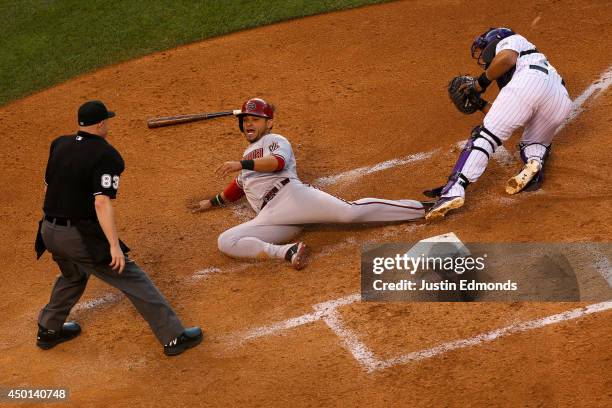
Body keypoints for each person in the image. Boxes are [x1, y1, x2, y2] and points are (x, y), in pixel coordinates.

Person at [36, 100, 202, 356]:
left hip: (48, 231)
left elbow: (48, 188)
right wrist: (113, 247)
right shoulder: (106, 155)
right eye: (108, 121)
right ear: (101, 123)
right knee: (132, 277)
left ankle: (48, 329)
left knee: (74, 274)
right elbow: (101, 201)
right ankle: (173, 337)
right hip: (76, 236)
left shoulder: (59, 143)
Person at [190, 98, 431, 269]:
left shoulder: (275, 140)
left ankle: (423, 208)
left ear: (269, 123)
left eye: (256, 119)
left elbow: (277, 162)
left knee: (349, 213)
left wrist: (243, 164)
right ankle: (287, 252)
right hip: (271, 217)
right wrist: (211, 203)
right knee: (226, 241)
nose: (249, 124)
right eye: (246, 120)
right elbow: (238, 187)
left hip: (291, 197)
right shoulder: (247, 155)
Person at [425, 27, 572, 220]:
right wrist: (480, 103)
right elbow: (516, 115)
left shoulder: (512, 40)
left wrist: (478, 85)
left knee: (485, 135)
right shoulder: (536, 63)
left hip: (530, 83)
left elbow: (507, 59)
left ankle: (454, 190)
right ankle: (534, 164)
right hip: (560, 101)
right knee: (533, 142)